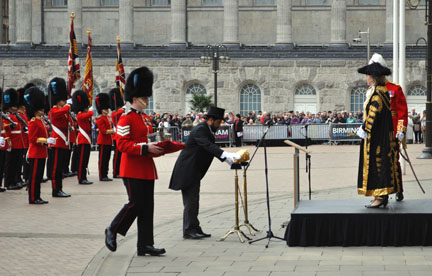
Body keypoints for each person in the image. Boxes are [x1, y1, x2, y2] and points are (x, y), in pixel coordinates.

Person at [105, 66, 166, 256]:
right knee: (135, 204)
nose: (147, 100)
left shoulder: (145, 119)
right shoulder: (126, 119)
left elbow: (147, 141)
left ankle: (145, 244)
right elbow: (122, 145)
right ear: (134, 98)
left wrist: (159, 148)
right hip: (131, 168)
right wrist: (145, 148)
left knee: (148, 207)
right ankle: (113, 229)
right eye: (144, 97)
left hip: (146, 167)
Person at [169, 106, 240, 239]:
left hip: (194, 170)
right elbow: (208, 146)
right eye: (218, 122)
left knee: (194, 200)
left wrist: (228, 160)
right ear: (211, 120)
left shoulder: (206, 129)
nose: (219, 126)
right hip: (187, 170)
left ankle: (195, 227)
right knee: (191, 201)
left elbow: (210, 148)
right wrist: (226, 155)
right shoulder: (200, 130)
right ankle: (189, 230)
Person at [356, 61, 400, 208]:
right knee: (379, 165)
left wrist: (365, 128)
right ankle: (379, 195)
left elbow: (373, 114)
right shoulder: (382, 90)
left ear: (373, 78)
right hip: (381, 135)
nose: (366, 78)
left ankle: (380, 196)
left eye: (368, 76)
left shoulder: (377, 94)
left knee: (377, 165)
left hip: (377, 138)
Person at [370, 53, 408, 201]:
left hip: (391, 130)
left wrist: (400, 130)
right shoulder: (372, 90)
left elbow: (401, 112)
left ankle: (398, 188)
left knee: (393, 159)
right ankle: (381, 191)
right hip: (377, 131)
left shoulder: (395, 89)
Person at [25, 87, 55, 204]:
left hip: (41, 153)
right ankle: (33, 197)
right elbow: (32, 139)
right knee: (34, 178)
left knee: (38, 177)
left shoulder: (40, 121)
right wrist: (46, 140)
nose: (43, 111)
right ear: (36, 110)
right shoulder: (33, 122)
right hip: (36, 153)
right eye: (41, 110)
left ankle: (37, 196)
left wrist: (48, 138)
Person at [48, 77, 72, 198]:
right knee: (56, 168)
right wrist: (67, 106)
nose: (64, 101)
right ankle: (55, 190)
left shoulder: (63, 111)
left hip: (63, 142)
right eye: (63, 100)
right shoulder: (53, 110)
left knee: (60, 169)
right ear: (58, 101)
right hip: (57, 142)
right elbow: (58, 114)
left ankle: (59, 189)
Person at [72, 90, 93, 185]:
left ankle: (83, 177)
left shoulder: (84, 114)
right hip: (83, 139)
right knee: (82, 160)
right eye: (86, 107)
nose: (87, 109)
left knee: (85, 160)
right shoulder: (80, 115)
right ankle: (81, 178)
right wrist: (91, 109)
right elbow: (89, 114)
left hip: (86, 139)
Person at [95, 93, 114, 182]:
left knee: (107, 159)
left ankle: (105, 174)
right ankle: (102, 175)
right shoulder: (100, 119)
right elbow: (103, 131)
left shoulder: (108, 118)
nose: (107, 110)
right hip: (103, 141)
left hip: (108, 141)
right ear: (102, 110)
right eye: (106, 109)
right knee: (102, 159)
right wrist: (113, 131)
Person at [109, 88, 125, 179]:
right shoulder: (115, 113)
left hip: (121, 135)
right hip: (117, 137)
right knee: (117, 156)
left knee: (121, 155)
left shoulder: (119, 112)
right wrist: (122, 108)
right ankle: (115, 172)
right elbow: (117, 114)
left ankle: (119, 171)